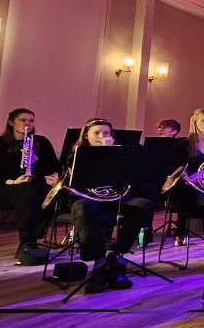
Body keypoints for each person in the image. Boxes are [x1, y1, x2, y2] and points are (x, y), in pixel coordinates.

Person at [60, 118, 155, 293]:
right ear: (86, 136)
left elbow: (133, 180)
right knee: (82, 208)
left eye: (106, 133)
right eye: (96, 133)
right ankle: (99, 262)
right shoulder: (77, 155)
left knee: (143, 205)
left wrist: (112, 154)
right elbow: (76, 184)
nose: (101, 136)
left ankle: (117, 255)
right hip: (89, 199)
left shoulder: (122, 155)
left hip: (116, 199)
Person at [0, 108, 60, 263]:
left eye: (31, 121)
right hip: (2, 186)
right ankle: (27, 241)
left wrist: (36, 160)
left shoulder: (41, 142)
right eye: (22, 120)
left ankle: (32, 238)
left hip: (32, 186)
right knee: (27, 191)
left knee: (49, 192)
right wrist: (13, 181)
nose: (27, 124)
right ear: (11, 122)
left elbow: (53, 168)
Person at [166, 108, 204, 270]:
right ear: (195, 123)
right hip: (189, 193)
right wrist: (195, 177)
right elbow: (175, 174)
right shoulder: (183, 146)